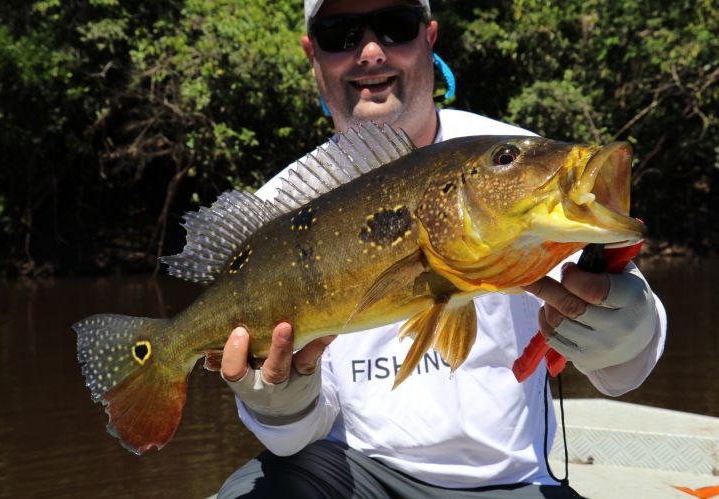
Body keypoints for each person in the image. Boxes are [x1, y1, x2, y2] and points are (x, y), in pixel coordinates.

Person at [216, 0, 667, 497]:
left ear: (429, 37)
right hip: (351, 472)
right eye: (340, 33)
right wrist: (279, 404)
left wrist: (630, 333)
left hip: (514, 482)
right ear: (312, 53)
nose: (370, 50)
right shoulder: (279, 213)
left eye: (395, 26)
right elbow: (296, 440)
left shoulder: (519, 161)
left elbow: (624, 371)